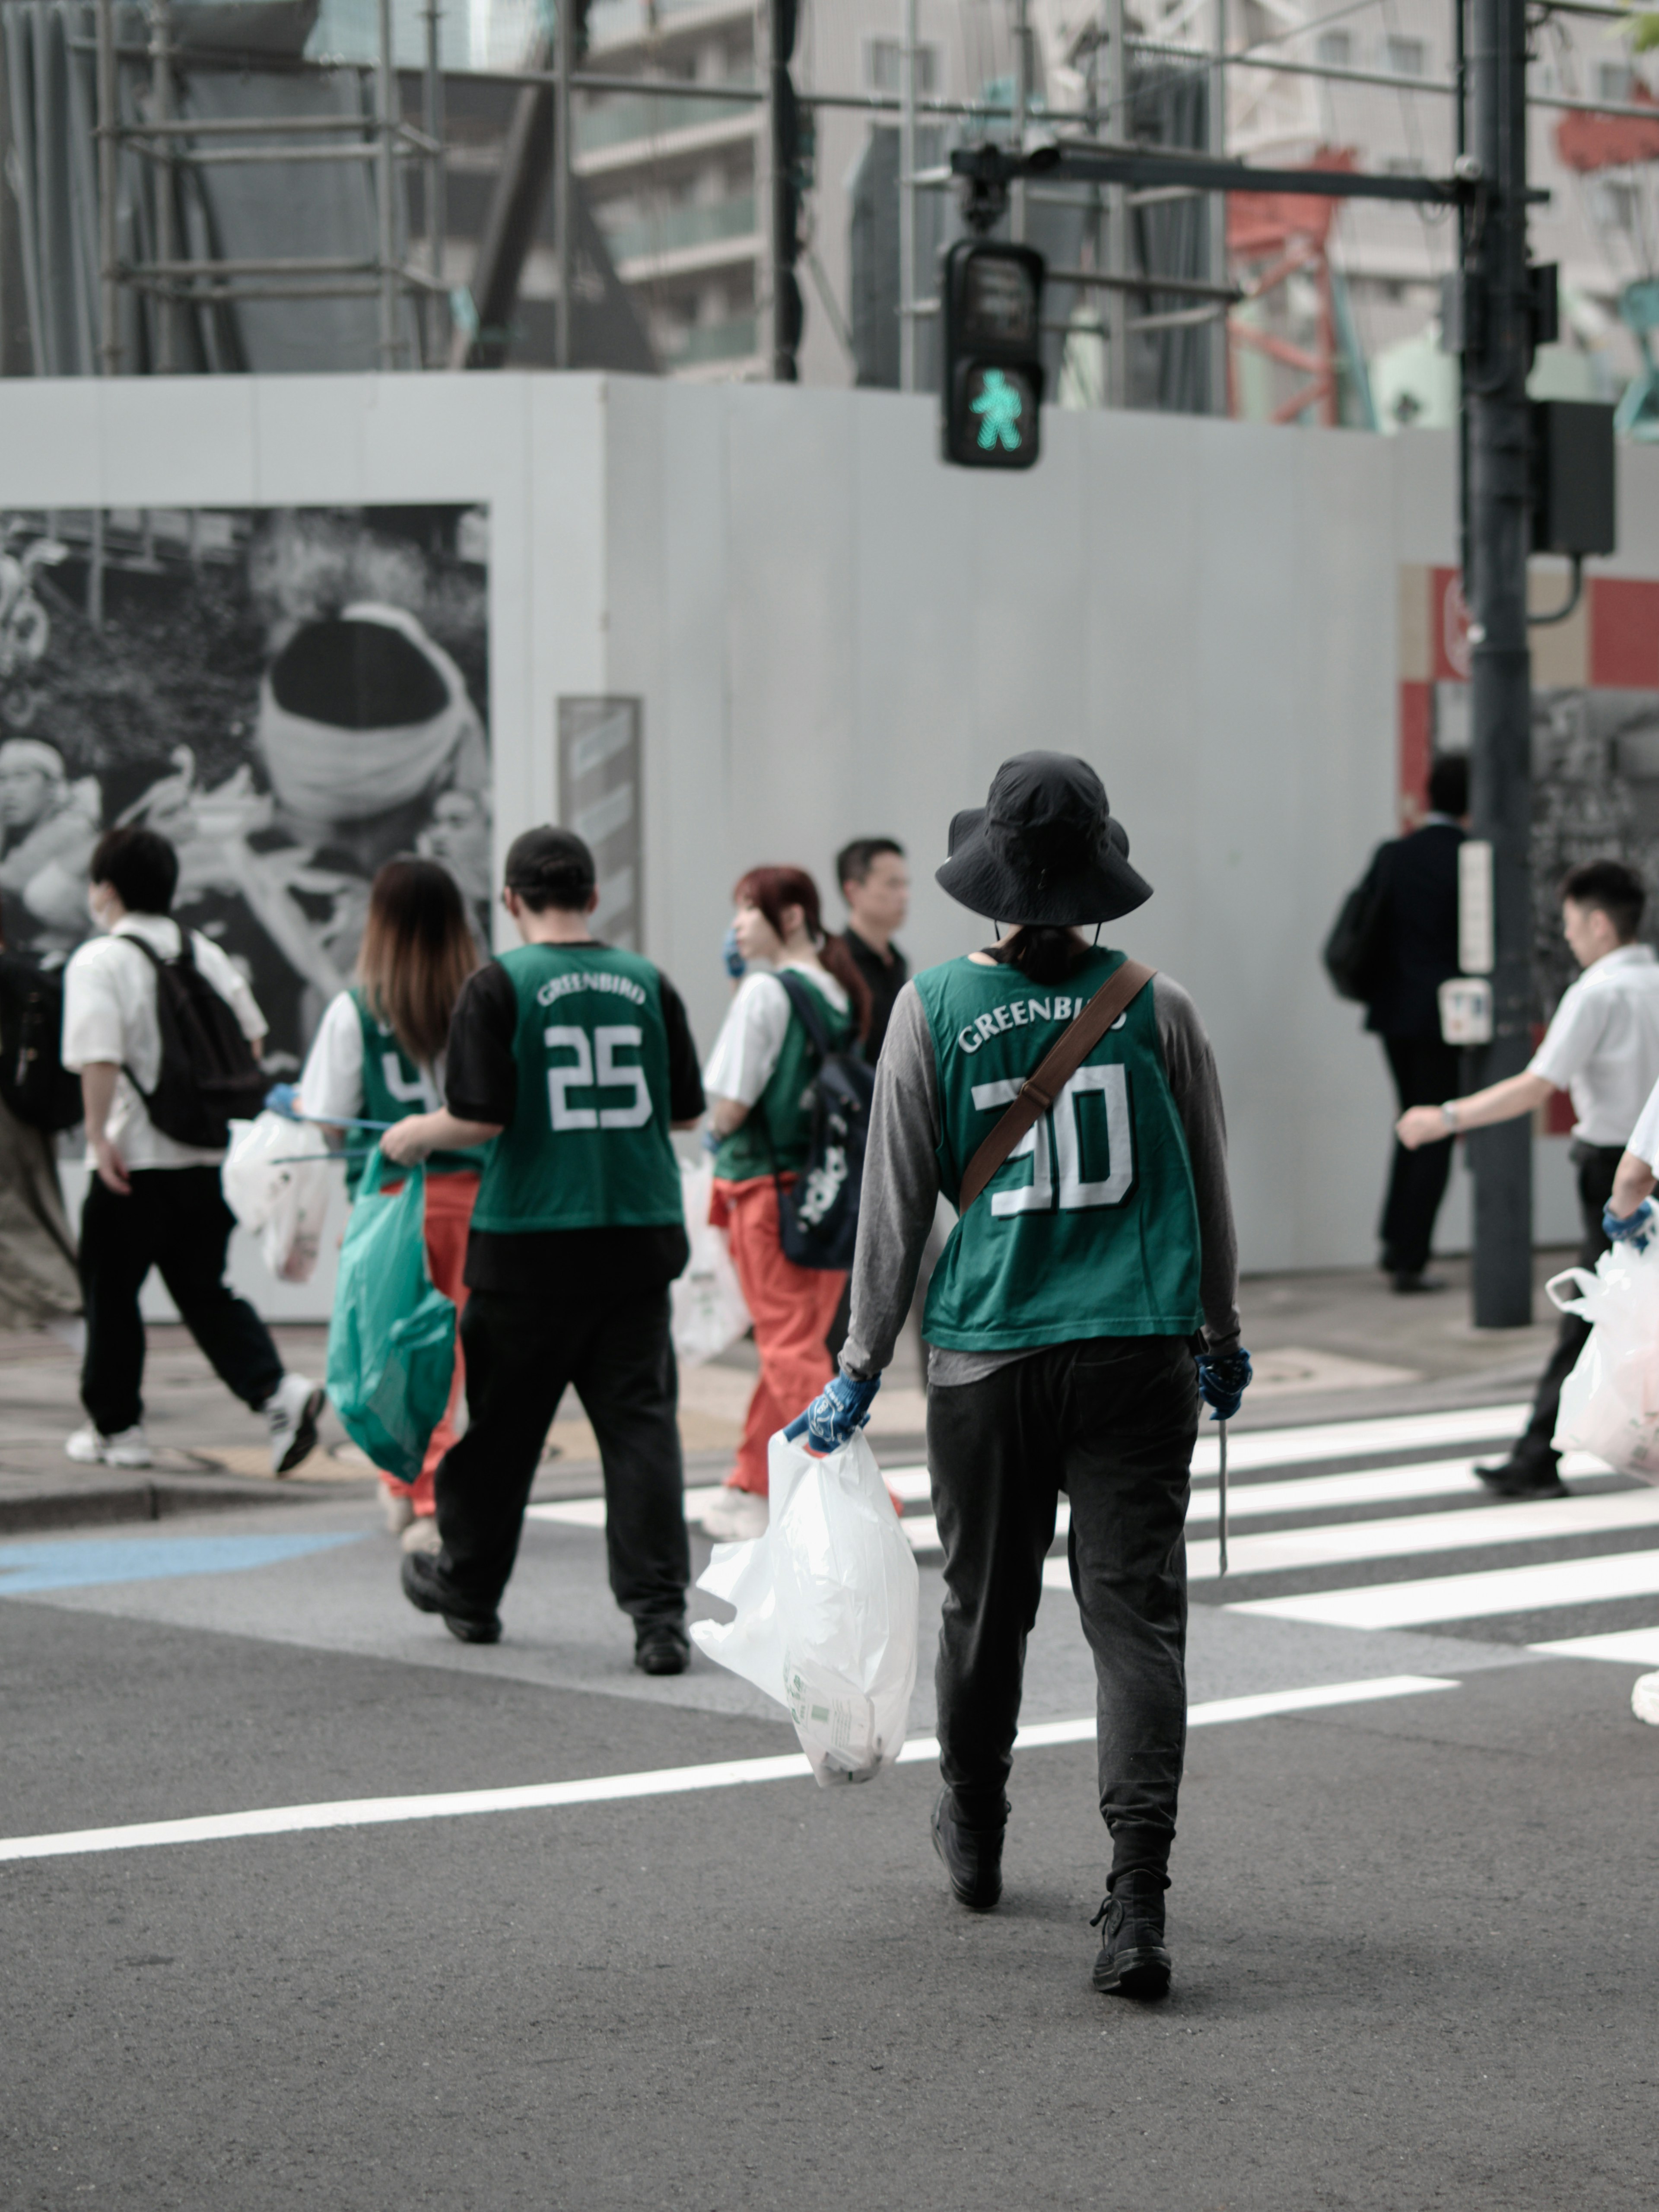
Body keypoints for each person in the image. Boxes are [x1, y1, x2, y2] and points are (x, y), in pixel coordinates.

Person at [787, 753, 1246, 2002]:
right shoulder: (1162, 1006)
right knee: (1134, 1622)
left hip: (985, 1359)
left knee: (985, 1607)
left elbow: (892, 1213)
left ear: (990, 880)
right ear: (1097, 878)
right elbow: (1206, 1187)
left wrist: (859, 1365)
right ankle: (1137, 1897)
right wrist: (1219, 1334)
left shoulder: (929, 1009)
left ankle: (976, 1829)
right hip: (1136, 1352)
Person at [379, 826, 705, 1672]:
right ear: (594, 897)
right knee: (640, 1433)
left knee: (501, 1434)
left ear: (512, 901)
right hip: (635, 1239)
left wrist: (416, 1133)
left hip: (527, 1244)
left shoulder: (499, 984)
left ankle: (470, 1589)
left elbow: (479, 1116)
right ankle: (658, 1620)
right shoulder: (647, 982)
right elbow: (683, 1114)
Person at [59, 826, 324, 1472]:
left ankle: (118, 1430)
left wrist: (99, 1136)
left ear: (107, 890)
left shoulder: (102, 960)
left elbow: (98, 1056)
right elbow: (252, 1044)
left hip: (136, 1158)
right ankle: (276, 1391)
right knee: (205, 1288)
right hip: (209, 1162)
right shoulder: (204, 953)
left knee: (111, 1294)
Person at [1398, 858, 1659, 1497]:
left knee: (1594, 1310)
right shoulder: (1653, 979)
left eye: (1571, 924)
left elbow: (1539, 1086)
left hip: (1618, 1171)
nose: (1567, 937)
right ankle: (1539, 1453)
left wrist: (1447, 1116)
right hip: (1645, 1160)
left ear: (1599, 923)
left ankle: (1536, 1457)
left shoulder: (1597, 992)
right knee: (1623, 1313)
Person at [296, 857, 489, 1549]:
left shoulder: (356, 1012)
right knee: (454, 1357)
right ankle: (424, 1487)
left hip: (389, 1206)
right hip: (477, 1202)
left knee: (391, 1351)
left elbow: (327, 1122)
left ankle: (417, 1488)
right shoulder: (481, 1000)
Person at [698, 866, 871, 1544]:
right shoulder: (836, 989)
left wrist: (713, 1129)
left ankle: (857, 1491)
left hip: (765, 1191)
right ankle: (748, 1485)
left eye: (749, 910)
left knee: (789, 1349)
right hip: (826, 1196)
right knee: (794, 1344)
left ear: (790, 916)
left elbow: (732, 1104)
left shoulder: (765, 992)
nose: (738, 925)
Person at [1362, 755, 1468, 1293]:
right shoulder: (1471, 860)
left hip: (1393, 1012)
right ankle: (1410, 1257)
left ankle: (1393, 1240)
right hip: (1446, 1019)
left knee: (1409, 1121)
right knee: (1436, 1129)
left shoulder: (1394, 854)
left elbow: (1367, 929)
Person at [0, 737, 100, 957]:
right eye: (2, 779)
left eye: (22, 777)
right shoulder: (20, 835)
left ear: (53, 786)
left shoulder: (71, 829)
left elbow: (10, 879)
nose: (8, 791)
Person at [837, 837, 911, 1062]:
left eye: (906, 885)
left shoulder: (897, 961)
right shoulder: (837, 964)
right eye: (892, 884)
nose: (904, 895)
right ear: (853, 892)